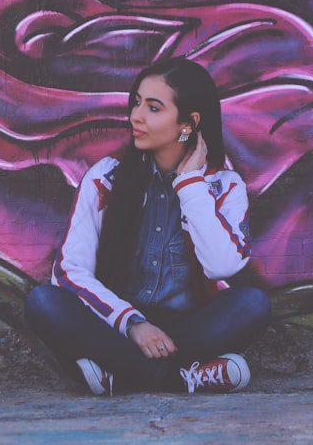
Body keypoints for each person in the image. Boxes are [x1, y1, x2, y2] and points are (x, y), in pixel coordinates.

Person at [25, 57, 271, 395]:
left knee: (252, 304)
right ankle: (181, 379)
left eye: (153, 108)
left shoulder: (225, 186)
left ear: (188, 124)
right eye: (136, 103)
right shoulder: (105, 178)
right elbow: (69, 271)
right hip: (116, 325)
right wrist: (133, 324)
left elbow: (222, 266)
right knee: (43, 301)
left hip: (190, 327)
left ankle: (122, 375)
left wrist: (190, 184)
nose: (135, 116)